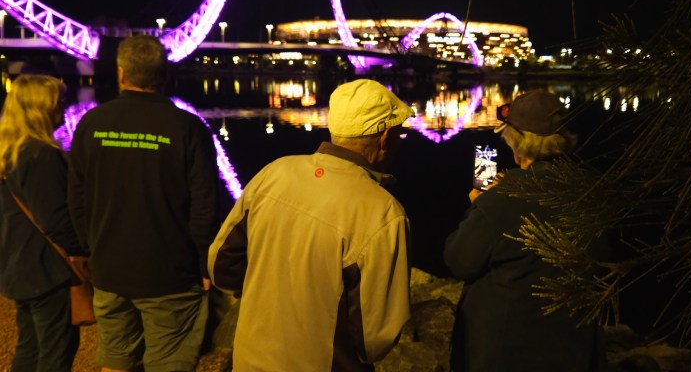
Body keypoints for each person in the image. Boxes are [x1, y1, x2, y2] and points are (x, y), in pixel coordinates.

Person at [209, 78, 414, 371]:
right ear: (385, 138)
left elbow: (221, 266)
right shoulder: (383, 213)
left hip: (250, 359)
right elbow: (374, 339)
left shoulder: (274, 173)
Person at [68, 35, 218, 372]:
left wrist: (92, 247)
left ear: (121, 74)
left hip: (109, 268)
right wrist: (203, 263)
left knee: (115, 359)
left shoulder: (91, 124)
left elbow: (75, 198)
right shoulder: (188, 128)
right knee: (168, 362)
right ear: (164, 74)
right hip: (170, 273)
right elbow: (204, 207)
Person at [444, 89, 607, 371]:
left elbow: (460, 260)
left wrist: (479, 206)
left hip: (505, 352)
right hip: (573, 348)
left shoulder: (503, 197)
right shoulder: (591, 191)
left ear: (517, 142)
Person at [0, 75, 82, 372]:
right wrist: (85, 249)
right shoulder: (42, 155)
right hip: (47, 270)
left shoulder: (8, 152)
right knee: (56, 351)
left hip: (17, 266)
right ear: (39, 108)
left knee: (29, 347)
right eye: (57, 101)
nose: (64, 106)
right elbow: (55, 220)